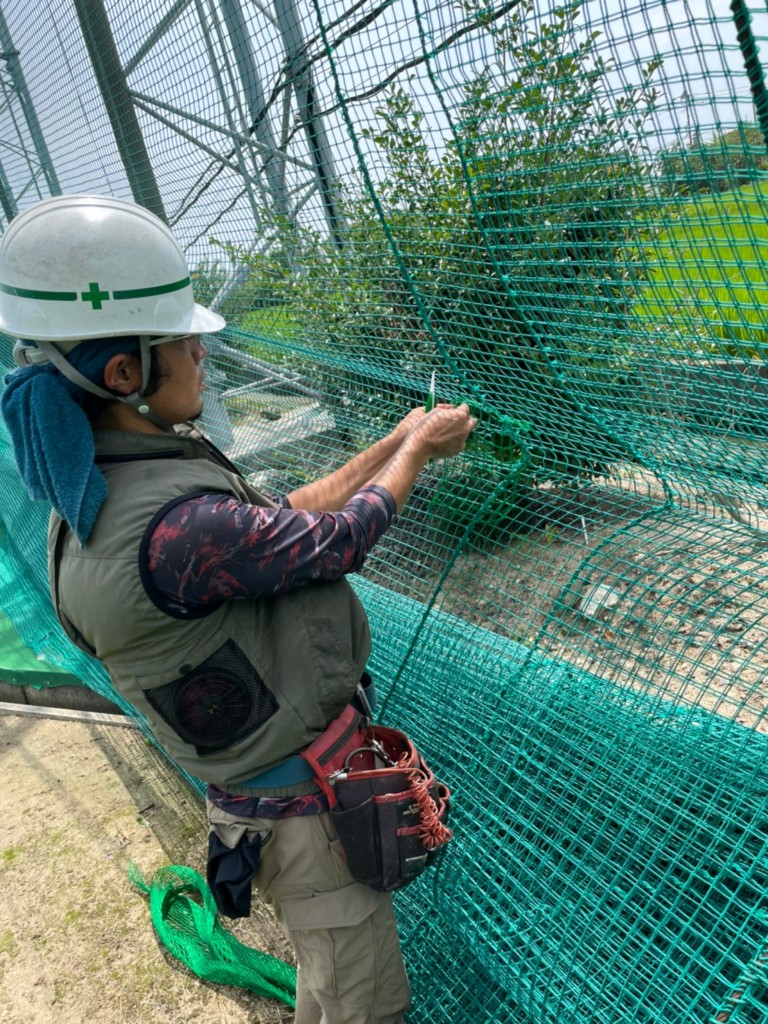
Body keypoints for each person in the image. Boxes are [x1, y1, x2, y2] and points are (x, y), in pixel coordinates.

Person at [0, 194, 476, 1024]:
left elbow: (282, 520)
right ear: (125, 375)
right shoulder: (171, 528)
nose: (201, 355)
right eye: (185, 342)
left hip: (271, 794)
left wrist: (393, 442)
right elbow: (335, 541)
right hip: (306, 815)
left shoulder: (113, 487)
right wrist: (419, 455)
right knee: (352, 1004)